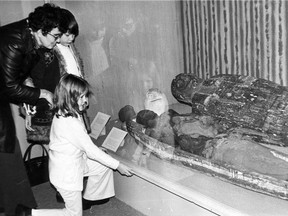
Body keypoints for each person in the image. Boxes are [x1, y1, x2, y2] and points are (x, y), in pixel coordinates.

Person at [18, 74, 133, 216]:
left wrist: (98, 152)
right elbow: (90, 150)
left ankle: (88, 198)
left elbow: (80, 142)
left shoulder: (66, 112)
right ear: (69, 97)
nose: (86, 101)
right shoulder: (70, 122)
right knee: (73, 214)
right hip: (67, 175)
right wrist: (118, 165)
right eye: (82, 97)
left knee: (103, 166)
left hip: (73, 163)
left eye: (85, 96)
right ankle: (29, 214)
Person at [0, 3, 63, 216]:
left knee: (7, 145)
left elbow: (19, 73)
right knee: (6, 146)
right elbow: (9, 87)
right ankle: (16, 207)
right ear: (41, 30)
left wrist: (28, 94)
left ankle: (18, 206)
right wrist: (41, 94)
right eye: (55, 36)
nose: (55, 42)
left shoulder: (32, 38)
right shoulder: (14, 41)